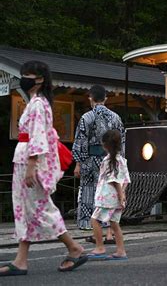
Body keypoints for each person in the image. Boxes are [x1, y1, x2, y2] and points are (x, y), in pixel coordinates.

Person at [0, 61, 87, 276]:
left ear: (40, 79)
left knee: (39, 208)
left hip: (29, 161)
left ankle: (74, 247)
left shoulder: (38, 104)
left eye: (28, 74)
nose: (24, 78)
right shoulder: (38, 102)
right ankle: (21, 261)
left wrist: (31, 165)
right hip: (26, 159)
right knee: (26, 209)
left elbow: (37, 135)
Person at [72, 84, 125, 245]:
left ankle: (96, 233)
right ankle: (109, 233)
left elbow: (80, 142)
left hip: (90, 160)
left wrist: (78, 163)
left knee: (91, 194)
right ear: (105, 99)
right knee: (110, 195)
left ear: (90, 98)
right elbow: (121, 141)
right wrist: (119, 160)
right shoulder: (116, 117)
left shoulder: (87, 117)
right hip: (110, 159)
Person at [88, 130, 130, 260]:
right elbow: (125, 180)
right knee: (114, 224)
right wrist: (122, 194)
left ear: (105, 145)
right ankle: (121, 251)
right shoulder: (122, 160)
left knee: (94, 220)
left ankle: (100, 247)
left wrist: (119, 194)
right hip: (117, 199)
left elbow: (114, 181)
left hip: (107, 197)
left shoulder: (108, 161)